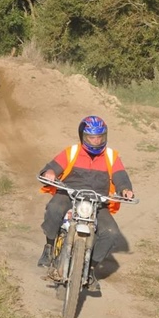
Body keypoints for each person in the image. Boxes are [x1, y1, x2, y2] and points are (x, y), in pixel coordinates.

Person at [37, 115, 135, 292]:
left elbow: (121, 176)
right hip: (69, 194)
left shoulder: (111, 156)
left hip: (98, 202)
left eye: (100, 137)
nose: (96, 141)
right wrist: (50, 173)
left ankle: (89, 269)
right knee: (54, 208)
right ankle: (49, 246)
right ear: (83, 136)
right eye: (92, 137)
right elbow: (52, 167)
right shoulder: (72, 152)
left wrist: (125, 189)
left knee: (111, 233)